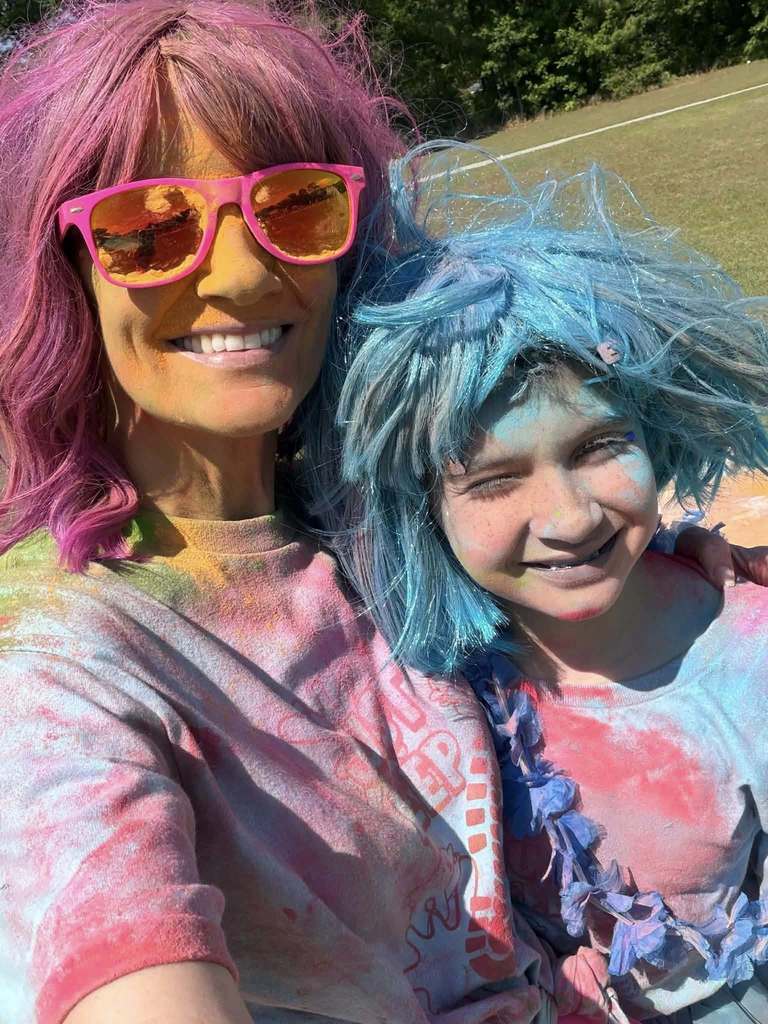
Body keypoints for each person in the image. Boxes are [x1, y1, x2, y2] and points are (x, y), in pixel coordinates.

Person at [0, 5, 756, 1023]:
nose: (242, 273)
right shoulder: (53, 667)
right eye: (150, 229)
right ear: (61, 269)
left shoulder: (370, 503)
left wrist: (693, 582)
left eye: (295, 206)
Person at [312, 145, 768, 1022]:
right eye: (493, 481)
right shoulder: (413, 665)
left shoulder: (749, 654)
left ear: (654, 428)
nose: (568, 517)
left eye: (598, 446)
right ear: (420, 511)